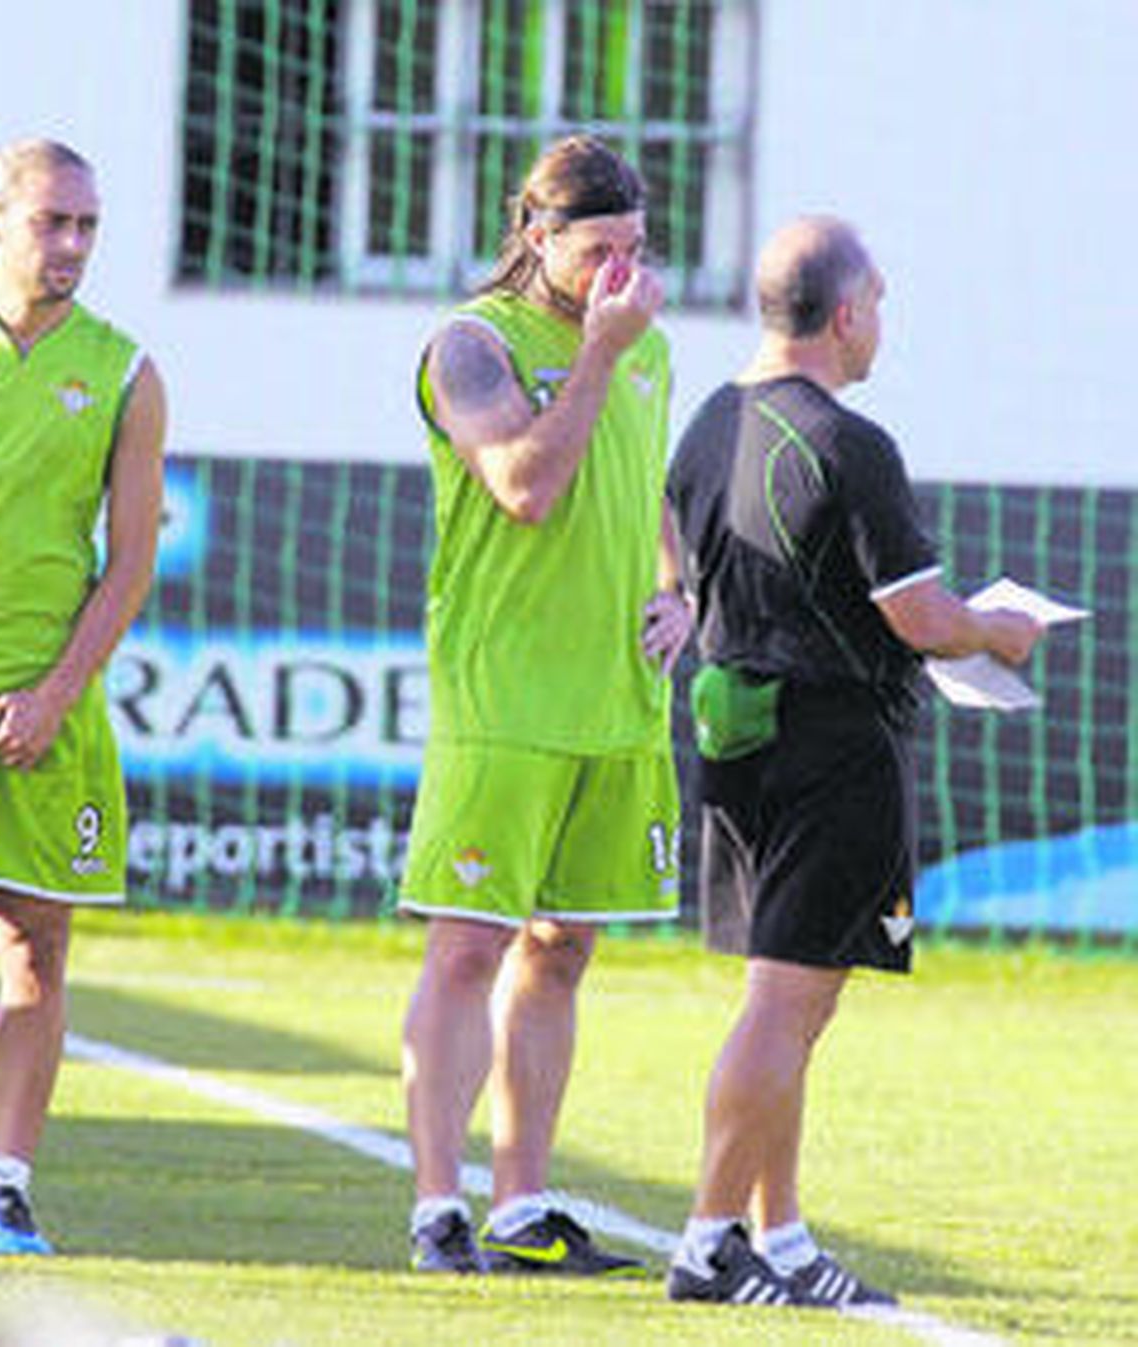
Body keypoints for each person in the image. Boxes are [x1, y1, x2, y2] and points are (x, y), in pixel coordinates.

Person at [662, 216, 1043, 1307]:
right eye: (877, 300)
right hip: (829, 747)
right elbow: (920, 618)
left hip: (734, 730)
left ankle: (778, 1240)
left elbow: (676, 562)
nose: (882, 321)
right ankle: (707, 1244)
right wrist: (997, 632)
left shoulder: (705, 423)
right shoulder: (846, 441)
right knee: (784, 1009)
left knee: (788, 1003)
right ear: (841, 314)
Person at [396, 134, 690, 1275]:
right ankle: (436, 1209)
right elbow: (522, 485)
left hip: (615, 700)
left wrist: (682, 591)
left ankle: (520, 1208)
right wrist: (605, 356)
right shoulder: (471, 344)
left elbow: (644, 481)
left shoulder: (640, 346)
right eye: (596, 249)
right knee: (467, 951)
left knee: (561, 950)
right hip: (504, 698)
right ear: (535, 236)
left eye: (634, 248)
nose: (619, 271)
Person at [0, 137, 166, 1254]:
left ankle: (7, 1183)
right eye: (48, 223)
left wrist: (58, 693)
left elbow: (128, 562)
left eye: (86, 227)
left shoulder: (123, 369)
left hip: (48, 708)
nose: (69, 246)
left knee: (36, 951)